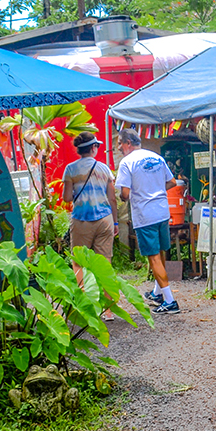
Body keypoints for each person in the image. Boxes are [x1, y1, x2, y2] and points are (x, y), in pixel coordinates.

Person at [115, 128, 180, 314]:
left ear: (128, 143)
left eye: (119, 143)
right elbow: (172, 182)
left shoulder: (127, 162)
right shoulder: (156, 157)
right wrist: (156, 190)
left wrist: (124, 196)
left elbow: (125, 193)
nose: (118, 147)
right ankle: (158, 292)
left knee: (153, 257)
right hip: (162, 211)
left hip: (145, 215)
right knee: (160, 253)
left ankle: (170, 301)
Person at [61, 132, 118, 321]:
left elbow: (67, 198)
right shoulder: (104, 169)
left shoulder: (70, 169)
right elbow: (112, 199)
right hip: (104, 219)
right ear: (93, 148)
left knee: (79, 262)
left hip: (81, 220)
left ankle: (86, 309)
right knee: (105, 263)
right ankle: (108, 311)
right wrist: (115, 222)